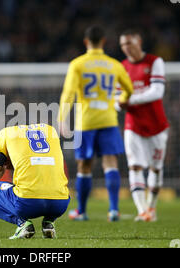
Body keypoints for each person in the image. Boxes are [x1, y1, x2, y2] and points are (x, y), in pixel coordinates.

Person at [57, 25, 133, 222]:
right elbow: (129, 89)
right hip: (108, 119)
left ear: (86, 42)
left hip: (86, 122)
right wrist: (121, 100)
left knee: (84, 165)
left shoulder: (78, 64)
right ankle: (114, 210)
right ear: (104, 42)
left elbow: (69, 93)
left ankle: (81, 211)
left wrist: (62, 118)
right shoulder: (115, 65)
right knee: (111, 163)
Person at [0, 124, 70, 239]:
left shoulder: (5, 133)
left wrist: (4, 165)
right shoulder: (51, 130)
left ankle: (22, 224)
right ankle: (48, 223)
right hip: (60, 203)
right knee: (50, 185)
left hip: (28, 203)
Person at [118, 29, 170, 222]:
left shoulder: (155, 62)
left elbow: (157, 91)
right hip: (133, 125)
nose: (126, 48)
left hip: (157, 125)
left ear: (139, 41)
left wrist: (129, 100)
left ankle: (152, 207)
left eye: (129, 43)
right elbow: (116, 97)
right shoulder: (121, 67)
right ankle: (142, 211)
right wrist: (118, 103)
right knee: (135, 167)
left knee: (156, 168)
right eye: (123, 44)